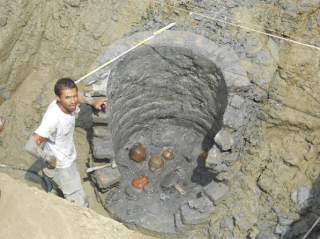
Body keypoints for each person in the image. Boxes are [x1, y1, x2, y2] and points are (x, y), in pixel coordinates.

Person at [25, 78, 107, 207]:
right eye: (68, 97)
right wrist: (49, 159)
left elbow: (77, 97)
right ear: (58, 97)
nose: (73, 101)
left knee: (57, 191)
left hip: (56, 163)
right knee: (81, 204)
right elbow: (30, 145)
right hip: (63, 167)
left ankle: (56, 198)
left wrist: (91, 101)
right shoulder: (53, 119)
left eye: (74, 96)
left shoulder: (67, 103)